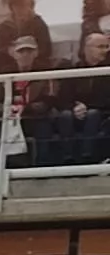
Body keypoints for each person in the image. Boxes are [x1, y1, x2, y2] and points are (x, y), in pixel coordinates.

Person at [0, 35, 54, 167]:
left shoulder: (44, 72)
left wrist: (25, 108)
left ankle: (43, 165)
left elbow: (48, 100)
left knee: (44, 125)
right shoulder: (4, 73)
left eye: (29, 51)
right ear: (13, 53)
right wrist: (7, 109)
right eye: (21, 51)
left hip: (33, 116)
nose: (25, 55)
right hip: (8, 114)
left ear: (36, 53)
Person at [54, 31, 110, 164]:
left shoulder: (107, 71)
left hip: (100, 114)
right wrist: (75, 107)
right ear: (87, 49)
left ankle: (87, 156)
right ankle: (68, 158)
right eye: (100, 47)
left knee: (93, 114)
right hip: (74, 112)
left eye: (107, 46)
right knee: (65, 115)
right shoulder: (74, 69)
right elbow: (62, 97)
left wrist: (87, 107)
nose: (105, 50)